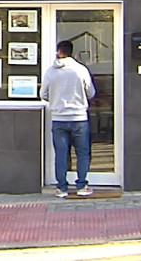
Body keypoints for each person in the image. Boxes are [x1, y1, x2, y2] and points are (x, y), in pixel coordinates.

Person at [40, 40, 96, 198]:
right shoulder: (80, 70)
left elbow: (43, 94)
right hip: (79, 117)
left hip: (58, 118)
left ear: (59, 51)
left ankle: (62, 188)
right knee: (83, 153)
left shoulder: (51, 71)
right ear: (72, 52)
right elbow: (91, 92)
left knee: (61, 154)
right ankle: (82, 185)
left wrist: (56, 99)